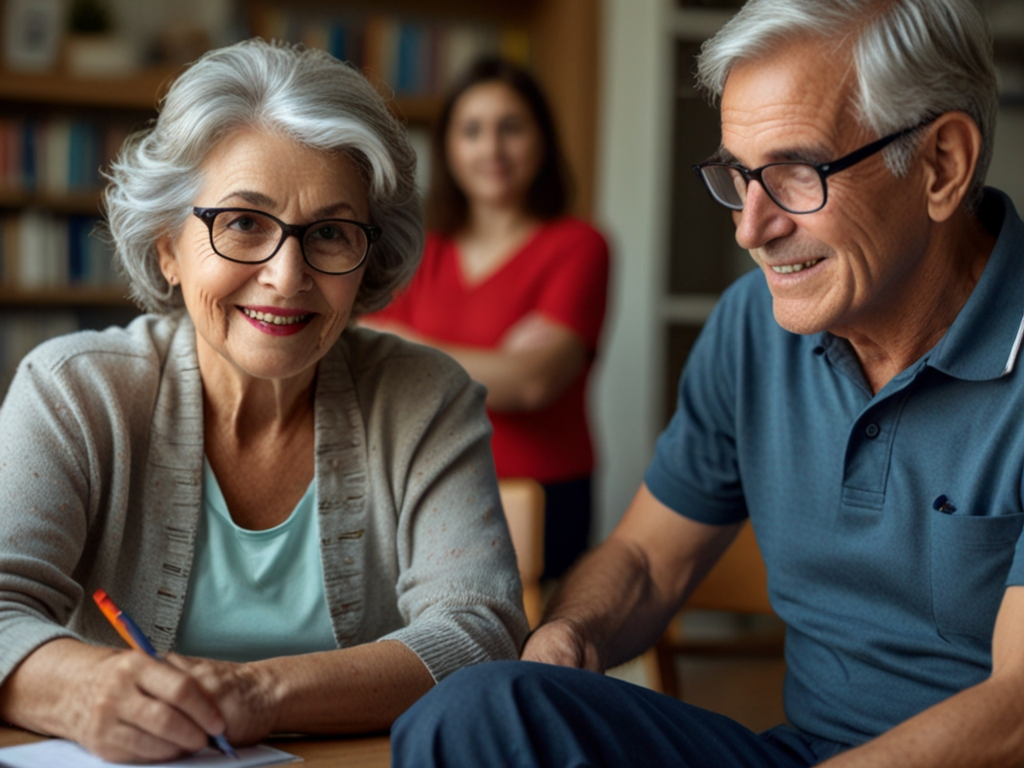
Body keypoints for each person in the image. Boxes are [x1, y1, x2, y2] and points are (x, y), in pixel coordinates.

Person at [390, 0, 1024, 766]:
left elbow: (1015, 712)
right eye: (738, 175)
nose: (750, 228)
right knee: (475, 711)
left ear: (941, 165)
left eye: (796, 173)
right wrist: (571, 632)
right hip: (801, 753)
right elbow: (650, 560)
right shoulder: (753, 326)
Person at [0, 39, 527, 764]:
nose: (286, 276)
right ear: (167, 246)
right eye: (244, 222)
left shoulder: (424, 397)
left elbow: (479, 630)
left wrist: (259, 694)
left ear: (367, 259)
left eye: (332, 234)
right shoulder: (73, 390)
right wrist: (86, 688)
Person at [362, 57, 610, 580]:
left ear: (542, 139)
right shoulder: (419, 251)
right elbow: (367, 360)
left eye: (511, 128)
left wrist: (407, 344)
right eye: (472, 130)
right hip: (426, 485)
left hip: (544, 493)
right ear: (448, 147)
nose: (491, 149)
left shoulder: (579, 246)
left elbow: (535, 382)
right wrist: (496, 363)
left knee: (525, 655)